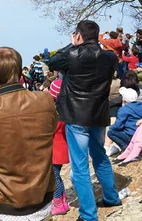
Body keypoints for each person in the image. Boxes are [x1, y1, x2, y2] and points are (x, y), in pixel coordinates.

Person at [0, 47, 57, 220]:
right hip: (42, 196)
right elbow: (51, 129)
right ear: (18, 72)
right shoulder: (45, 101)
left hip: (5, 203)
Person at [48, 20, 122, 221]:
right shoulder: (109, 58)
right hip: (98, 115)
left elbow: (52, 62)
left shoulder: (72, 54)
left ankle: (89, 215)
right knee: (99, 156)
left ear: (78, 36)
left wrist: (72, 44)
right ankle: (111, 197)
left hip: (76, 116)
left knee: (80, 166)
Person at [49, 79, 70, 216]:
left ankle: (58, 203)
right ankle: (63, 200)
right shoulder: (66, 108)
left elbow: (51, 130)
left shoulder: (56, 113)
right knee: (57, 175)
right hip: (62, 148)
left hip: (55, 150)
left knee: (54, 176)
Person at [107, 87, 142, 153]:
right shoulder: (141, 106)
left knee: (111, 132)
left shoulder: (124, 110)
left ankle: (125, 148)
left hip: (130, 135)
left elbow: (118, 125)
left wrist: (110, 127)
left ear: (124, 99)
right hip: (141, 134)